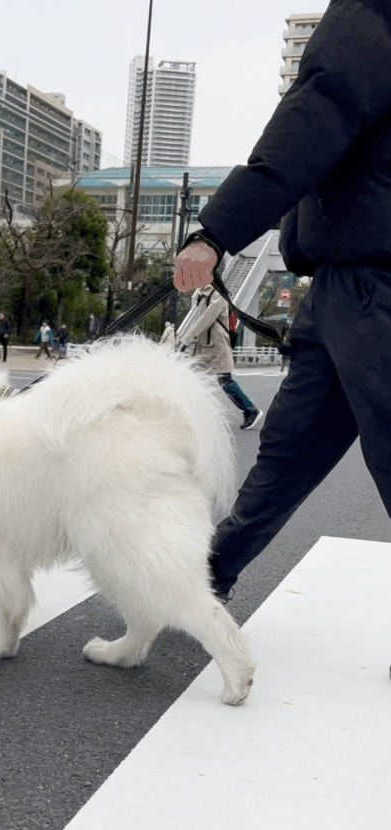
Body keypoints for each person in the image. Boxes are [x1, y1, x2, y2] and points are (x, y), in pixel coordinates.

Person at [173, 0, 391, 603]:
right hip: (343, 286)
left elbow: (308, 127)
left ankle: (204, 576)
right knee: (288, 452)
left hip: (371, 282)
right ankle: (204, 578)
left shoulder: (370, 17)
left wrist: (215, 231)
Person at [176, 284, 263, 430]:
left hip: (216, 346)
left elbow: (206, 319)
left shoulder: (217, 294)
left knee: (224, 379)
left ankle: (250, 410)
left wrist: (187, 339)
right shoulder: (204, 293)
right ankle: (196, 416)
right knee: (195, 379)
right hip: (206, 345)